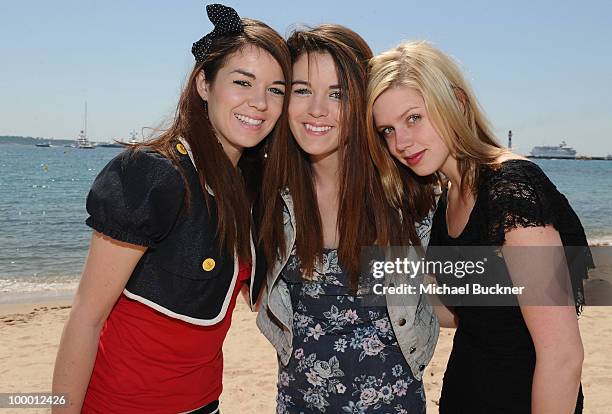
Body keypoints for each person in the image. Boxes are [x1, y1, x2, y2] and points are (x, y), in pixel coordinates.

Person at [52, 4, 290, 413]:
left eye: (276, 90)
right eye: (242, 82)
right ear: (204, 83)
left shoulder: (252, 188)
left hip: (204, 405)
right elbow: (86, 317)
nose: (260, 103)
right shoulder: (152, 176)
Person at [367, 40, 593, 413]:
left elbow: (563, 355)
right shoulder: (449, 195)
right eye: (387, 131)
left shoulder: (511, 190)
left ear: (456, 102)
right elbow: (477, 310)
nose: (401, 142)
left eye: (413, 118)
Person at [256, 26, 439, 413]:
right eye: (302, 90)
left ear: (361, 103)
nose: (316, 109)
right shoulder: (272, 197)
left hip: (393, 402)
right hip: (299, 400)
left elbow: (488, 287)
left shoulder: (409, 192)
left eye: (337, 94)